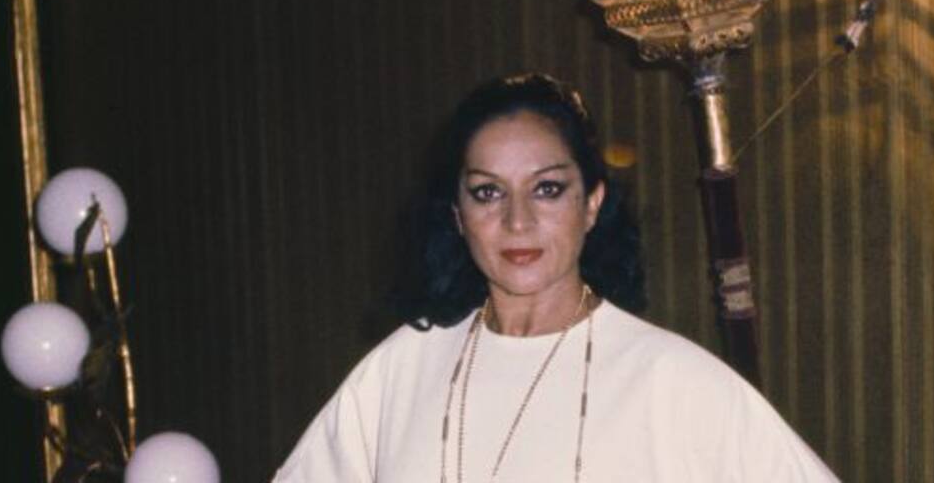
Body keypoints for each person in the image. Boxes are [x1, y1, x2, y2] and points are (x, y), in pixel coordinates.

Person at [273, 74, 837, 482]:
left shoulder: (675, 383)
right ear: (457, 215)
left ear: (591, 203)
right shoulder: (400, 369)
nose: (517, 221)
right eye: (487, 192)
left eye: (547, 189)